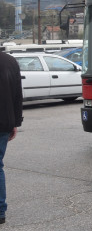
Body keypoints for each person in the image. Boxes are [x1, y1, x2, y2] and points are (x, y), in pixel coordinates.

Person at [0, 51, 23, 226]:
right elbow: (17, 95)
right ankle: (0, 211)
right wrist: (15, 121)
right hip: (4, 123)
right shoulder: (10, 61)